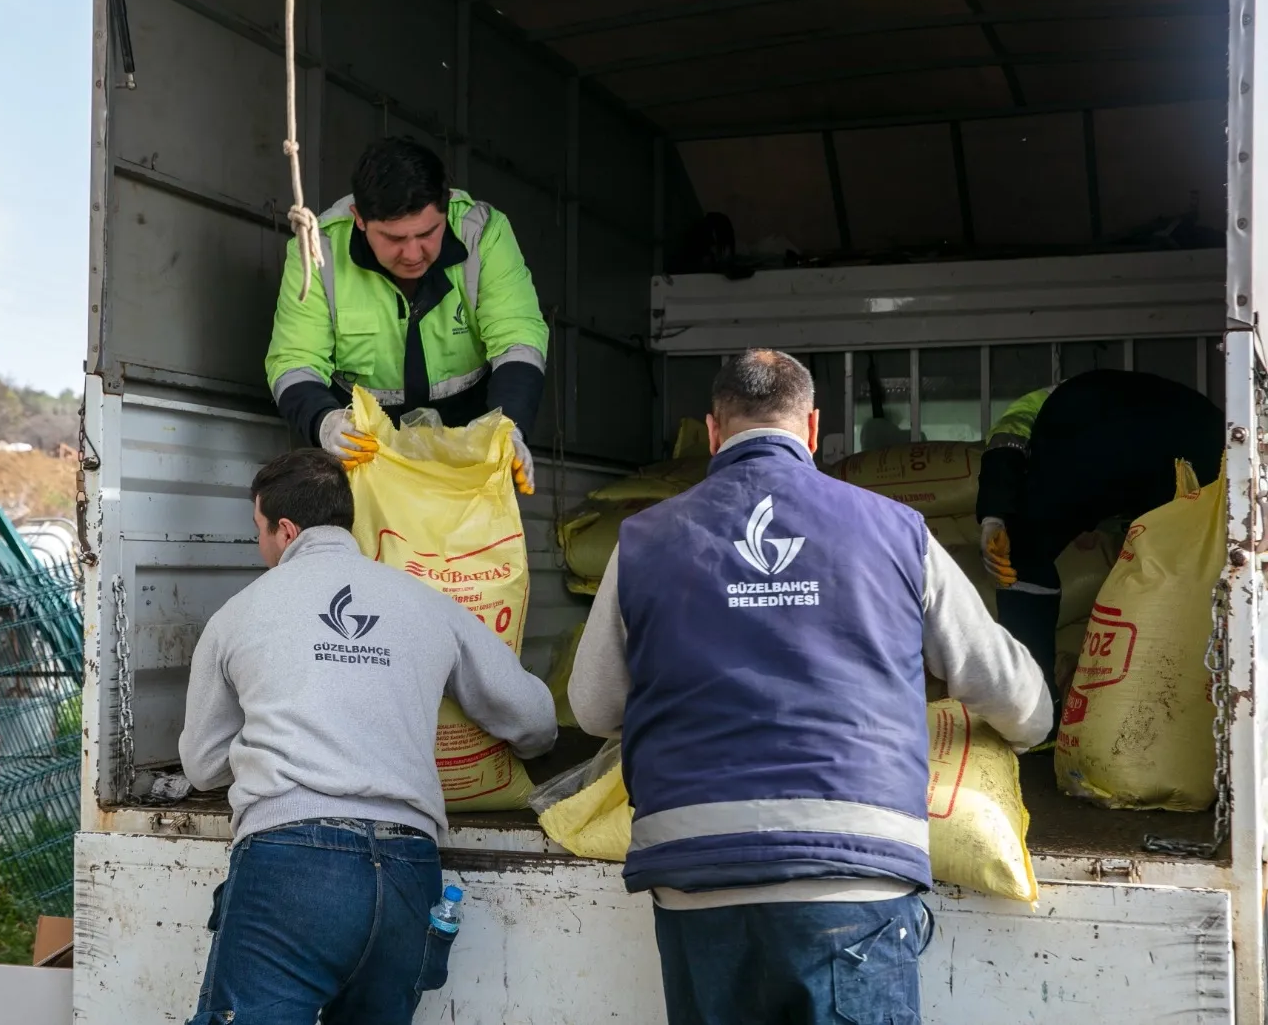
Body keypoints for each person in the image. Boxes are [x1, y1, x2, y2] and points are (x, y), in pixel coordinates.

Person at [567, 349, 1051, 1025]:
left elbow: (593, 710)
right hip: (853, 872)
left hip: (695, 871)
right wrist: (1033, 728)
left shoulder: (642, 540)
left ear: (713, 431)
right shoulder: (897, 530)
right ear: (814, 428)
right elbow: (1014, 695)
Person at [179, 448, 557, 1024]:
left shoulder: (238, 613)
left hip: (290, 864)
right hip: (409, 869)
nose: (260, 545)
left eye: (259, 530)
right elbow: (535, 720)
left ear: (286, 530)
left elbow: (203, 767)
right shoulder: (428, 604)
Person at [265, 136, 548, 493]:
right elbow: (294, 360)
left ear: (446, 206)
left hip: (468, 437)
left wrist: (510, 428)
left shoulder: (482, 232)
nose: (413, 254)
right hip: (363, 447)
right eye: (394, 238)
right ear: (359, 219)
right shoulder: (318, 251)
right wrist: (325, 421)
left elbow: (518, 339)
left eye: (428, 233)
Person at [977, 368, 1225, 705]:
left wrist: (994, 516)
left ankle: (1033, 708)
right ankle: (1204, 696)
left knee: (1023, 556)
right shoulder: (1165, 394)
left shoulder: (1039, 405)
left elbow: (1005, 446)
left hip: (1091, 433)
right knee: (1197, 565)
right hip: (1205, 440)